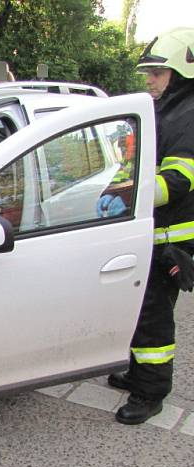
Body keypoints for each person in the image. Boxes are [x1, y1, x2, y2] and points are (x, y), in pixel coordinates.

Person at [109, 27, 194, 425]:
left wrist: (131, 196)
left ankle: (150, 393)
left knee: (152, 318)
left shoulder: (189, 116)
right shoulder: (166, 111)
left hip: (171, 239)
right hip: (152, 232)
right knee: (140, 310)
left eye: (158, 73)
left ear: (181, 72)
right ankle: (139, 374)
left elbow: (177, 180)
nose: (149, 79)